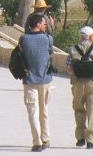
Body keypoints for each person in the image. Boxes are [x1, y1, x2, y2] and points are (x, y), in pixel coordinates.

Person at [20, 12, 54, 152]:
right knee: (44, 110)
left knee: (32, 112)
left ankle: (37, 142)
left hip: (29, 80)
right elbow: (50, 54)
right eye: (44, 23)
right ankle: (45, 138)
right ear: (39, 24)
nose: (45, 25)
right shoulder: (48, 38)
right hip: (45, 80)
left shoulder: (23, 39)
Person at [68, 25, 93, 149]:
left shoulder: (73, 49)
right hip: (92, 83)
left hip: (78, 83)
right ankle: (91, 140)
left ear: (80, 37)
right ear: (91, 36)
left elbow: (68, 68)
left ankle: (80, 138)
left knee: (79, 109)